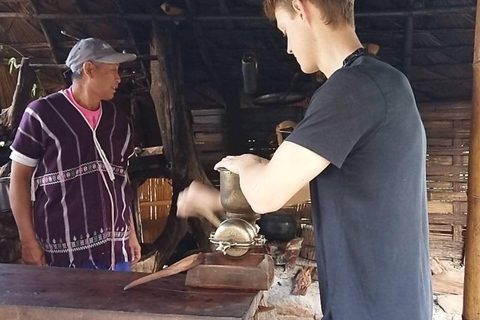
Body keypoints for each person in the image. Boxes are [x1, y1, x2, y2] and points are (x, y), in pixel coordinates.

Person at [177, 0, 432, 319]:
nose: (287, 47)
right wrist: (216, 199)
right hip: (389, 303)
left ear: (301, 8)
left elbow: (265, 195)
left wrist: (245, 164)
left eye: (285, 30)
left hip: (373, 309)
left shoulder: (350, 88)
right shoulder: (384, 82)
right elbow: (299, 186)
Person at [9, 38, 141, 271]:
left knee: (116, 307)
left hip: (116, 249)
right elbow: (19, 179)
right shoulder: (42, 114)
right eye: (112, 71)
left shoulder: (117, 120)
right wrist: (27, 241)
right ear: (89, 69)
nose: (118, 79)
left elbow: (120, 180)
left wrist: (130, 233)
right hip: (64, 253)